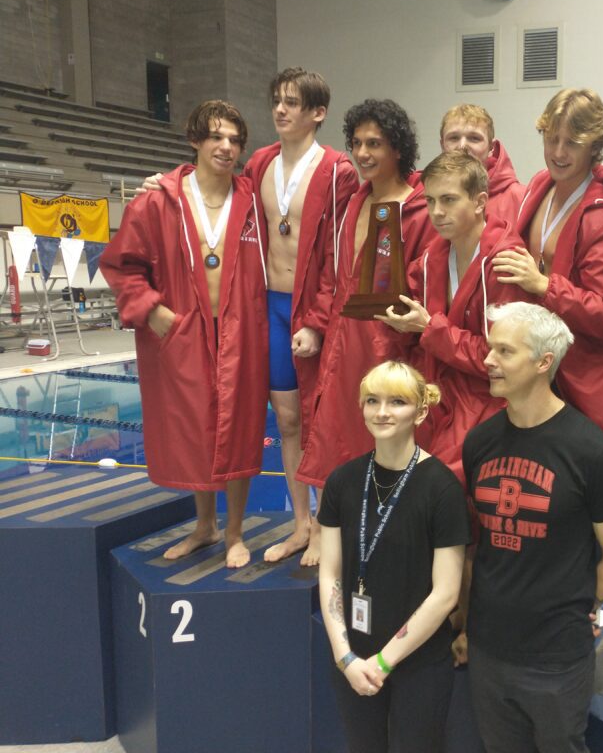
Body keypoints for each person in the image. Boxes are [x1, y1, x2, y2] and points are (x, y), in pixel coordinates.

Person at [137, 68, 359, 566]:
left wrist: (318, 320)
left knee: (321, 417)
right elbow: (205, 188)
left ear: (317, 113)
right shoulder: (258, 164)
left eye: (293, 102)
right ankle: (301, 524)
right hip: (265, 308)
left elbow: (336, 256)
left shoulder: (337, 170)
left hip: (309, 311)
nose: (280, 110)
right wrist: (161, 182)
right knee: (285, 419)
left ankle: (326, 525)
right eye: (277, 100)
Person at [459, 302, 603, 753]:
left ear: (543, 363)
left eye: (504, 351)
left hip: (556, 657)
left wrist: (583, 603)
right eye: (491, 348)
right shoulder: (479, 442)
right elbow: (476, 545)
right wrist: (465, 627)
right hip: (488, 647)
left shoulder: (593, 453)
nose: (488, 361)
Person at [100, 100, 268, 568]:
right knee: (196, 427)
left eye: (235, 139)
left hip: (240, 330)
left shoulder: (253, 200)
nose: (227, 147)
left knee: (238, 428)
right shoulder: (158, 200)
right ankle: (204, 526)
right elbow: (121, 265)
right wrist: (149, 309)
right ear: (195, 140)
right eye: (216, 137)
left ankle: (234, 532)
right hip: (183, 330)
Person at [498, 88, 603, 505]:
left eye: (573, 143)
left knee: (581, 509)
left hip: (582, 380)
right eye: (552, 138)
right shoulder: (540, 185)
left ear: (595, 146)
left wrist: (545, 285)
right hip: (535, 370)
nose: (559, 152)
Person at [318, 361, 470, 753]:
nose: (382, 412)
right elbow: (331, 573)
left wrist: (384, 662)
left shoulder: (441, 489)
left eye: (397, 402)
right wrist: (345, 656)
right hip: (354, 656)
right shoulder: (342, 481)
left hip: (418, 662)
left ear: (420, 411)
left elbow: (446, 594)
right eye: (373, 400)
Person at [298, 99, 438, 489]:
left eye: (374, 144)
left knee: (384, 444)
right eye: (357, 143)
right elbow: (333, 277)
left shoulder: (421, 211)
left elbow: (425, 289)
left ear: (397, 148)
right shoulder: (352, 205)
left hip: (387, 347)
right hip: (340, 347)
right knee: (332, 437)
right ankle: (326, 533)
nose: (362, 153)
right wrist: (315, 325)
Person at [376, 150, 525, 484]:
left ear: (480, 201)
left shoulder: (505, 262)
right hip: (438, 397)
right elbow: (409, 328)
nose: (436, 213)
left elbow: (499, 359)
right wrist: (395, 321)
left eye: (448, 200)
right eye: (429, 201)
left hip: (488, 402)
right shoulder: (432, 257)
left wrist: (429, 327)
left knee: (437, 483)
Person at [439, 104, 525, 224]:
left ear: (491, 147)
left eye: (474, 138)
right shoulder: (430, 200)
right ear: (442, 145)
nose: (462, 146)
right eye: (454, 138)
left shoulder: (522, 200)